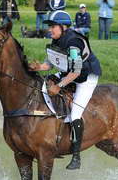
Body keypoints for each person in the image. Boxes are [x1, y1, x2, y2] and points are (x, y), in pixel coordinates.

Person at [28, 11, 102, 170]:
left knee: (75, 113)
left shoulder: (74, 43)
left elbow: (75, 72)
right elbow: (50, 64)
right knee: (44, 84)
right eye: (49, 26)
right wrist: (39, 67)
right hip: (69, 73)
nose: (50, 30)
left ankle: (76, 156)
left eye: (53, 26)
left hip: (85, 77)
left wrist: (59, 86)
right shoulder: (56, 40)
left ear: (63, 27)